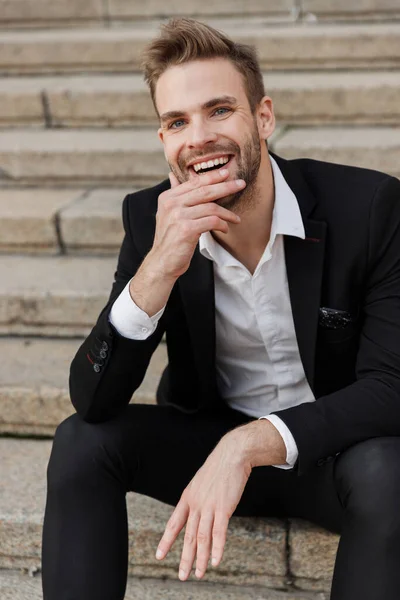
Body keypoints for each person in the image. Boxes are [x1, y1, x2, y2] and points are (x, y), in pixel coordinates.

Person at [41, 17, 400, 600]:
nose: (199, 136)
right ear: (164, 143)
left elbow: (391, 387)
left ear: (263, 118)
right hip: (207, 445)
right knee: (81, 442)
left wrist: (247, 443)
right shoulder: (149, 219)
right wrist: (157, 268)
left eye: (219, 111)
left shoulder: (370, 207)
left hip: (334, 455)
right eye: (177, 122)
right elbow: (94, 398)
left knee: (391, 470)